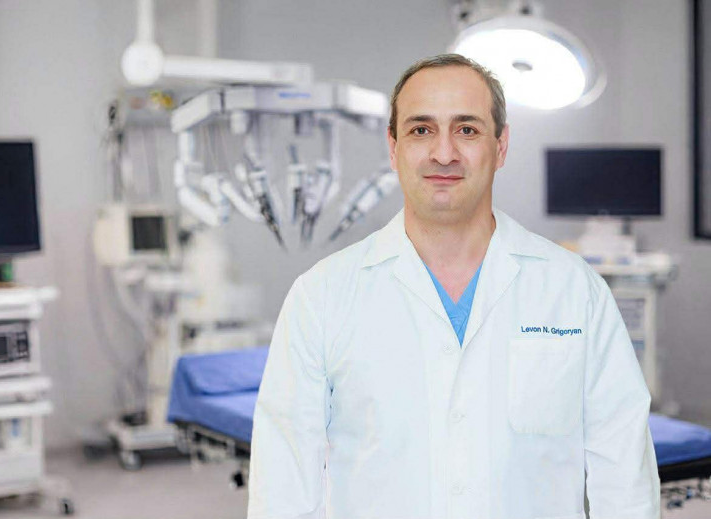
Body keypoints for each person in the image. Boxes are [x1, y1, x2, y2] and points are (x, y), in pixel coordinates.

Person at [248, 54, 660, 519]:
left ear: (501, 146)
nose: (444, 153)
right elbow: (282, 484)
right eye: (421, 130)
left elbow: (623, 471)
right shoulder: (323, 295)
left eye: (467, 129)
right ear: (393, 147)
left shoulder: (573, 289)